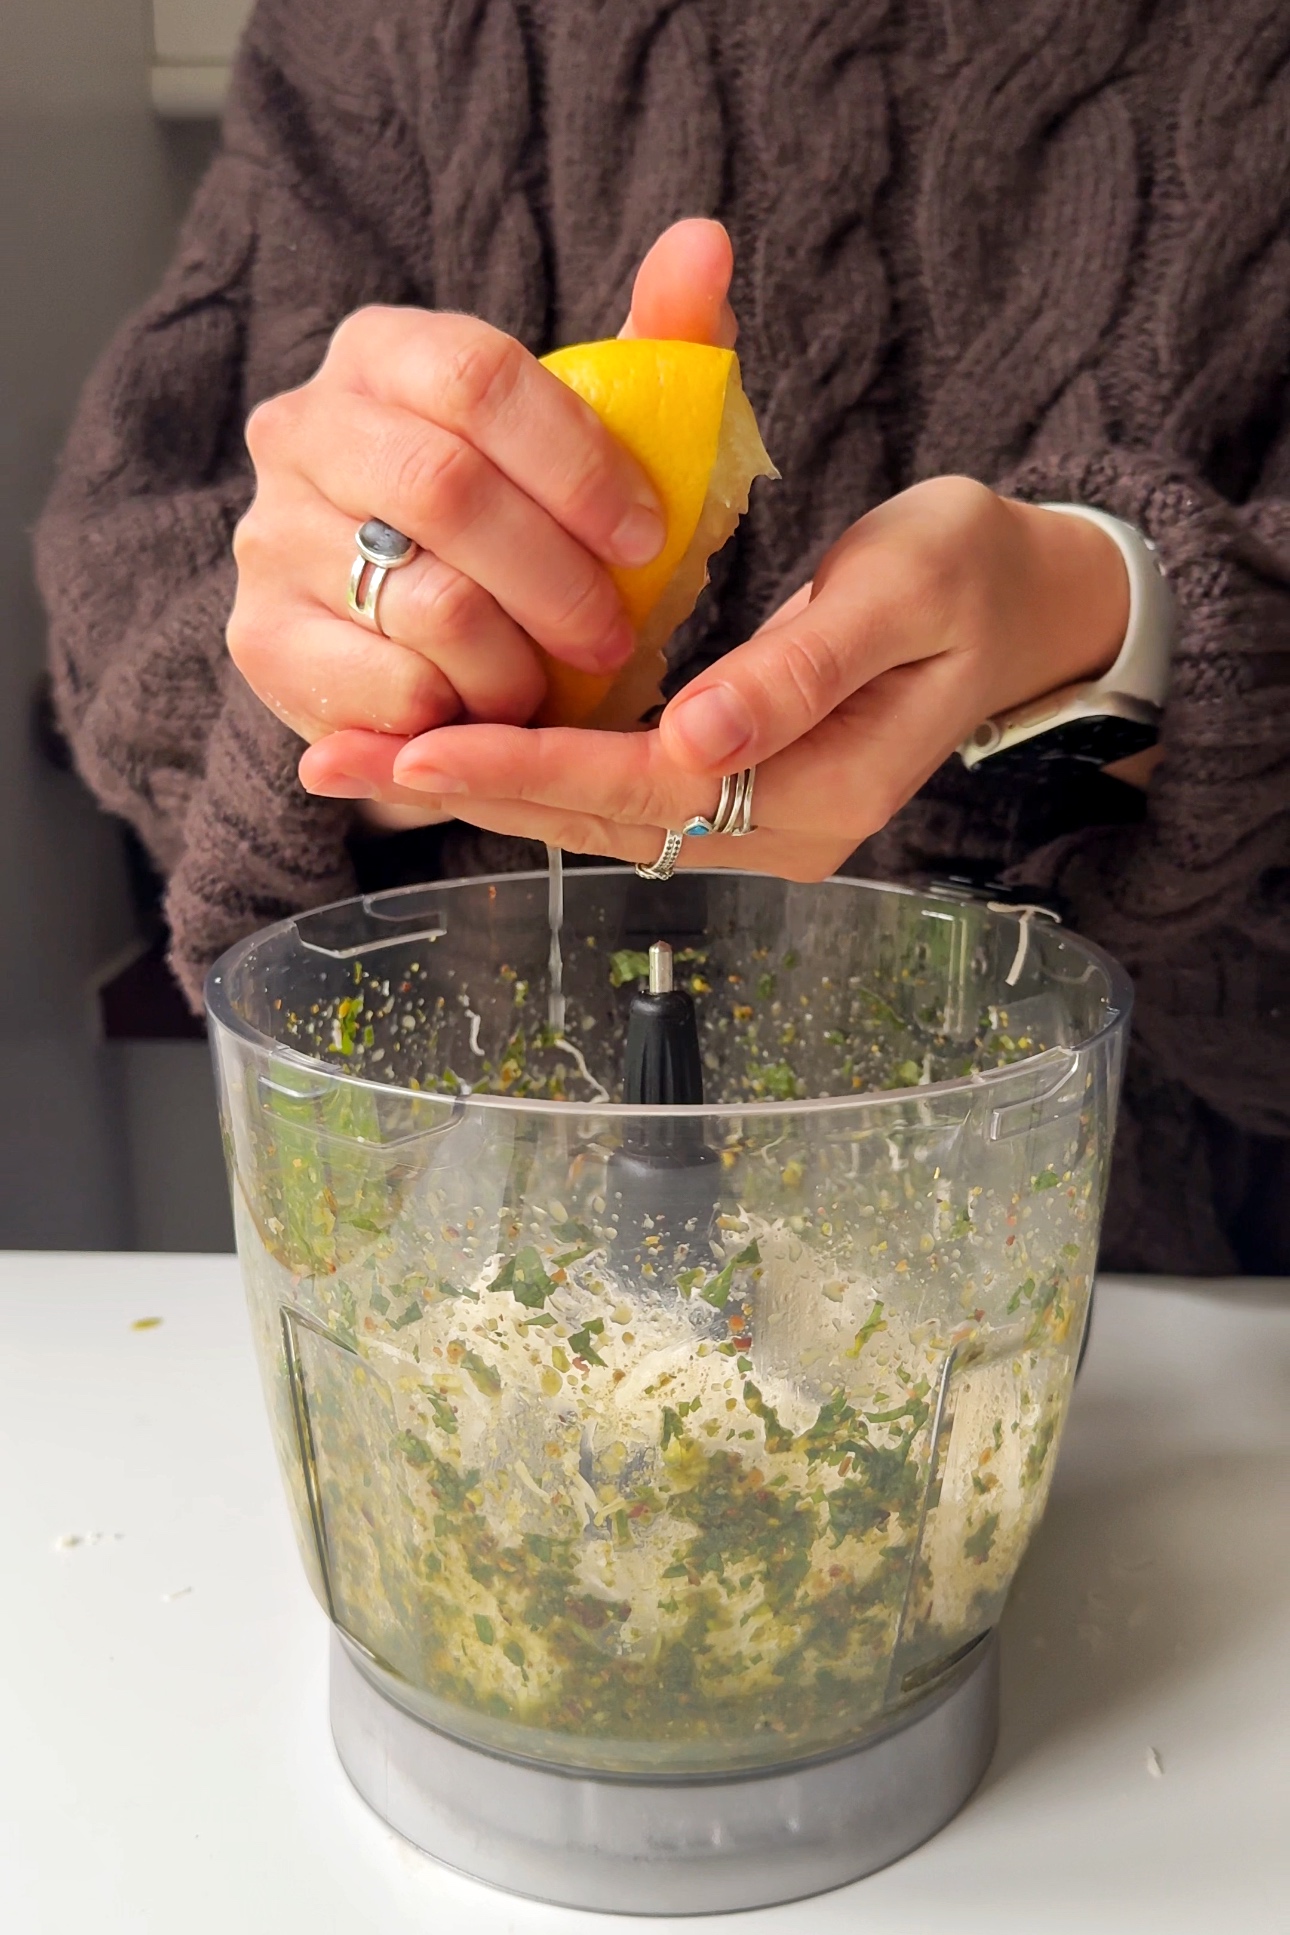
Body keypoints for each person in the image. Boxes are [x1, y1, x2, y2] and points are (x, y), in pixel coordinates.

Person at [36, 0, 1290, 1275]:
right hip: (446, 1273)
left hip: (1146, 1308)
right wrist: (356, 659)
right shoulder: (385, 30)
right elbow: (128, 622)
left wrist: (1135, 633)